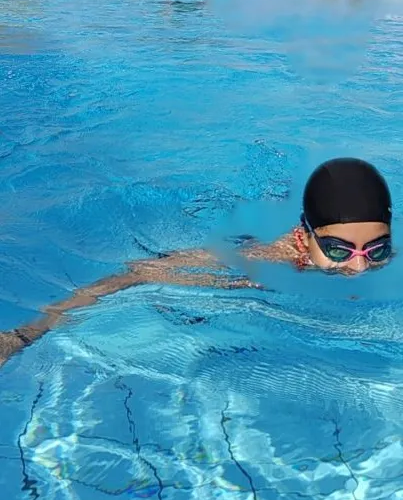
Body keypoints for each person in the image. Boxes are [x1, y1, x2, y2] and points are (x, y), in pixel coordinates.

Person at [0, 158, 392, 368]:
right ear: (304, 234)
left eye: (376, 250)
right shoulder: (258, 264)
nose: (359, 267)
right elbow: (134, 275)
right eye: (339, 250)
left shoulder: (373, 261)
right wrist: (27, 333)